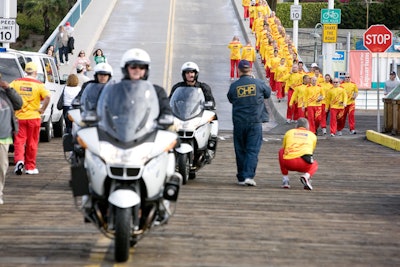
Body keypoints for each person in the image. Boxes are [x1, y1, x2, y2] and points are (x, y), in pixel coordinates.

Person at [98, 48, 172, 127]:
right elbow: (103, 109)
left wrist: (167, 119)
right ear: (126, 68)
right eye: (133, 66)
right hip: (118, 131)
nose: (137, 70)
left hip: (147, 132)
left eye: (142, 67)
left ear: (146, 70)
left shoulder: (157, 91)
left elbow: (166, 111)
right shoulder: (114, 90)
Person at [227, 59, 271, 186]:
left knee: (240, 150)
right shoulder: (258, 83)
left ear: (239, 70)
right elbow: (267, 93)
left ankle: (241, 176)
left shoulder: (234, 86)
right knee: (252, 150)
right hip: (254, 122)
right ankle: (248, 176)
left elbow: (230, 98)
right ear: (250, 69)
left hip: (239, 122)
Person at [170, 61, 218, 160]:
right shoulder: (178, 87)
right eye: (187, 73)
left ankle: (210, 146)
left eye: (192, 72)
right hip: (181, 115)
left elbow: (210, 101)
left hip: (197, 114)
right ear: (184, 74)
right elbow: (170, 100)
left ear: (196, 74)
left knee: (213, 117)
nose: (190, 74)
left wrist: (209, 104)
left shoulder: (203, 87)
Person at [10, 62, 50, 175]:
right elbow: (47, 96)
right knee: (32, 143)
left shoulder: (16, 82)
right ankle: (30, 167)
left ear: (25, 71)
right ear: (35, 73)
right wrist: (42, 109)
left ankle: (19, 161)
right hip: (34, 117)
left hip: (19, 117)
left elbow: (7, 91)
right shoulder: (39, 84)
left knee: (19, 141)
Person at [0, 76, 23, 204]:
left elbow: (19, 104)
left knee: (2, 167)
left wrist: (9, 89)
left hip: (3, 136)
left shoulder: (5, 94)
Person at [278, 118, 318, 190]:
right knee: (314, 163)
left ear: (296, 126)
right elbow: (311, 151)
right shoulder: (312, 135)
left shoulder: (289, 132)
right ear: (307, 127)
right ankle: (306, 176)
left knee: (281, 151)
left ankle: (285, 180)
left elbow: (284, 147)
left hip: (289, 163)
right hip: (304, 164)